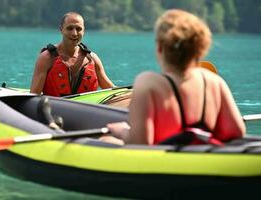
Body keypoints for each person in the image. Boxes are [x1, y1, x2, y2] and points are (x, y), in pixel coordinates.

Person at [101, 9, 246, 145]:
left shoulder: (148, 83)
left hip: (164, 162)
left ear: (159, 47)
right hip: (203, 158)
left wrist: (122, 132)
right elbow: (235, 131)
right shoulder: (215, 82)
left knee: (105, 140)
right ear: (200, 48)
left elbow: (140, 144)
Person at [30, 12, 115, 97]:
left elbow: (112, 90)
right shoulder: (46, 58)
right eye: (70, 28)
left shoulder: (92, 59)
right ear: (61, 29)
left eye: (78, 29)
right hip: (54, 108)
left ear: (84, 31)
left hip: (84, 108)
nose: (74, 33)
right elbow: (33, 97)